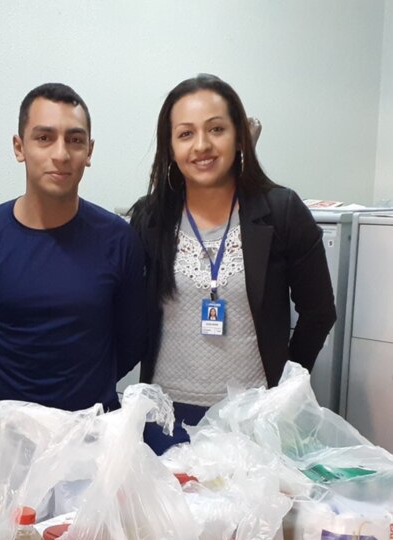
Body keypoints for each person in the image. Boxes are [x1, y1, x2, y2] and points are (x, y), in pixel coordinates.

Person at [129, 74, 336, 454]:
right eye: (186, 134)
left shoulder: (282, 211)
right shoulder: (150, 219)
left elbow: (319, 312)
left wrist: (283, 388)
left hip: (255, 418)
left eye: (216, 129)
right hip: (166, 418)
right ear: (170, 147)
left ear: (239, 136)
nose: (202, 145)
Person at [0, 83, 145, 417]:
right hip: (5, 445)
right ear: (18, 147)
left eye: (75, 139)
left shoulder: (119, 239)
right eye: (44, 138)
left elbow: (132, 341)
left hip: (93, 439)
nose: (61, 153)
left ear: (89, 150)